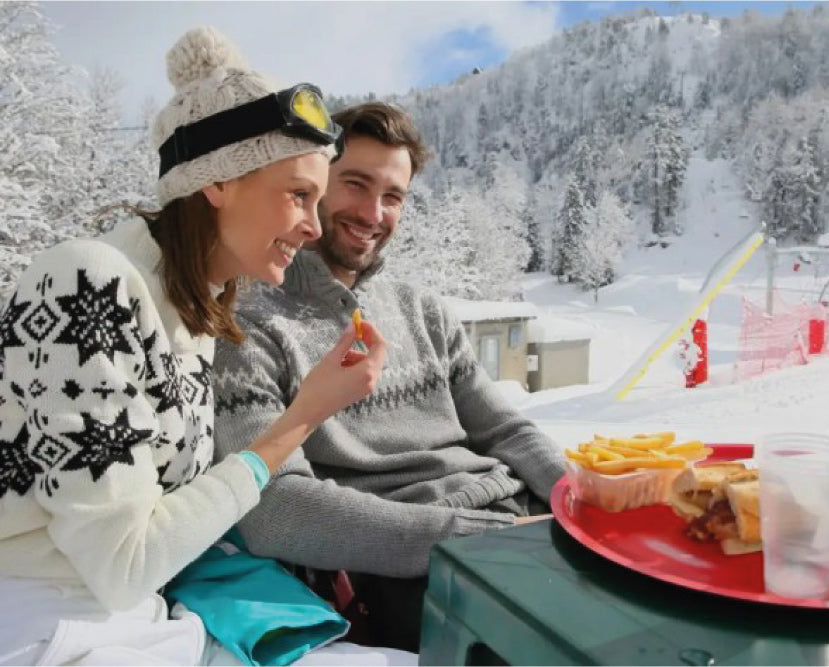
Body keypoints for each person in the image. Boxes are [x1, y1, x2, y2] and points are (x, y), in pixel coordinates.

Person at [0, 26, 413, 666]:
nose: (313, 225)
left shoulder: (195, 305)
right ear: (218, 183)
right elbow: (123, 562)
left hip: (142, 617)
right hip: (48, 626)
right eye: (298, 195)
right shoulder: (87, 282)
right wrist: (302, 418)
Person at [212, 102, 565, 652]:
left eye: (393, 196)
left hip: (519, 520)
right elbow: (274, 508)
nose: (374, 212)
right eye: (355, 184)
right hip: (413, 561)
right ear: (313, 185)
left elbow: (504, 430)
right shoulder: (248, 328)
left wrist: (576, 495)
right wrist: (479, 543)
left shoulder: (423, 311)